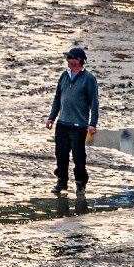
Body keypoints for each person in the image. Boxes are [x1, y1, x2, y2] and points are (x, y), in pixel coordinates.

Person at [46, 46, 98, 194]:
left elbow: (94, 102)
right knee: (60, 155)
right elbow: (57, 98)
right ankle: (61, 182)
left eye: (71, 58)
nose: (68, 60)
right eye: (67, 58)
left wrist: (92, 123)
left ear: (79, 60)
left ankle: (81, 183)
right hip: (62, 123)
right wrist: (51, 117)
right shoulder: (64, 75)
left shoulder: (89, 79)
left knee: (78, 157)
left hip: (79, 126)